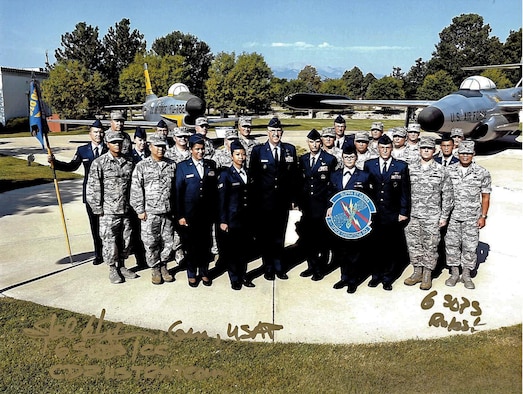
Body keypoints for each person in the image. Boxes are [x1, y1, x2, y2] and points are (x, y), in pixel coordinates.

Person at [48, 119, 107, 265]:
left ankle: (114, 252)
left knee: (110, 225)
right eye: (95, 132)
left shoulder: (109, 148)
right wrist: (55, 163)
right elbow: (72, 166)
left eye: (100, 132)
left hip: (108, 193)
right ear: (90, 134)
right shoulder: (83, 150)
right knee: (94, 226)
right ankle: (98, 254)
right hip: (91, 194)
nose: (98, 135)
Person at [249, 117, 299, 280]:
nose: (276, 134)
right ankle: (268, 266)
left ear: (282, 133)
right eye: (273, 131)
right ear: (267, 133)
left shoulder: (289, 150)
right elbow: (253, 177)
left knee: (280, 234)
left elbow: (293, 177)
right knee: (266, 236)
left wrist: (293, 198)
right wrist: (254, 200)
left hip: (282, 201)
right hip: (264, 201)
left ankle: (279, 266)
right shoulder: (258, 151)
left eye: (278, 131)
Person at [86, 130, 137, 284]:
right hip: (108, 211)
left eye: (120, 142)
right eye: (114, 142)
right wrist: (98, 210)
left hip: (126, 210)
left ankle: (122, 265)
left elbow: (133, 186)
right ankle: (112, 269)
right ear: (107, 144)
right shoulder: (99, 163)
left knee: (126, 240)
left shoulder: (129, 162)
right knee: (109, 241)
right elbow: (93, 188)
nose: (117, 145)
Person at [404, 137, 453, 290]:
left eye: (429, 148)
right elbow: (403, 192)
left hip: (432, 216)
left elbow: (448, 195)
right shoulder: (409, 169)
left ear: (435, 151)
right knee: (414, 245)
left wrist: (444, 216)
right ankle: (417, 271)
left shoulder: (442, 170)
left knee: (430, 246)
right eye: (423, 148)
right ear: (419, 150)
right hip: (412, 215)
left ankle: (427, 274)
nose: (426, 150)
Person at [364, 135, 411, 291]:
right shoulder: (369, 165)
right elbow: (364, 189)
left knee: (391, 247)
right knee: (374, 246)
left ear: (392, 148)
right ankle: (375, 276)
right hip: (374, 213)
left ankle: (387, 278)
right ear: (378, 149)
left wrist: (403, 211)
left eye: (387, 148)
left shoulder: (401, 166)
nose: (384, 150)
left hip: (392, 213)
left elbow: (405, 191)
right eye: (382, 148)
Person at [130, 133, 176, 285]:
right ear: (150, 147)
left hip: (168, 212)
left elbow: (176, 188)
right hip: (150, 212)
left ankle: (164, 266)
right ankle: (155, 268)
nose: (161, 149)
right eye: (157, 146)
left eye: (163, 146)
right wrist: (139, 210)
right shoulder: (142, 166)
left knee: (168, 242)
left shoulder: (171, 164)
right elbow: (136, 189)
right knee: (151, 242)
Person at [444, 140, 491, 289]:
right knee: (452, 245)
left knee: (470, 246)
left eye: (468, 153)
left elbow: (485, 196)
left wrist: (483, 216)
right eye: (463, 153)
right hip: (453, 216)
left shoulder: (482, 172)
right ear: (458, 154)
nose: (465, 156)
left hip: (472, 217)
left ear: (474, 154)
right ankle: (454, 273)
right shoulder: (449, 171)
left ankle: (466, 274)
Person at [327, 145, 372, 294]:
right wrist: (329, 207)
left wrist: (369, 216)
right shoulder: (334, 175)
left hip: (356, 220)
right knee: (342, 250)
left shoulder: (364, 176)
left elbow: (370, 198)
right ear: (342, 158)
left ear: (356, 158)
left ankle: (353, 281)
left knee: (355, 251)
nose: (349, 160)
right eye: (346, 157)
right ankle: (344, 277)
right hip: (339, 219)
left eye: (352, 157)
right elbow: (330, 194)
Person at [175, 134, 218, 287]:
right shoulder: (182, 166)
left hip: (206, 214)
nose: (200, 152)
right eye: (197, 149)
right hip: (189, 215)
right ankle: (192, 273)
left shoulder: (210, 165)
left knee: (206, 245)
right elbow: (178, 192)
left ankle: (205, 272)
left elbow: (214, 191)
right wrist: (180, 215)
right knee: (191, 246)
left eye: (202, 149)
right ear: (191, 149)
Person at [297, 129, 338, 281]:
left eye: (316, 142)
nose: (314, 145)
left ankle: (321, 268)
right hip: (307, 206)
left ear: (320, 142)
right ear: (307, 143)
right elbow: (301, 182)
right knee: (308, 238)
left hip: (322, 206)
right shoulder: (303, 159)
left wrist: (330, 204)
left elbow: (333, 184)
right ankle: (311, 265)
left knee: (322, 239)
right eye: (311, 142)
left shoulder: (329, 159)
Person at [217, 140, 256, 290]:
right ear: (231, 156)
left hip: (246, 219)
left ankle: (244, 275)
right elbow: (222, 199)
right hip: (232, 219)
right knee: (233, 250)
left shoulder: (249, 173)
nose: (241, 157)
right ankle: (234, 278)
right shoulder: (226, 174)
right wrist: (223, 220)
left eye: (243, 154)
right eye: (237, 154)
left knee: (244, 249)